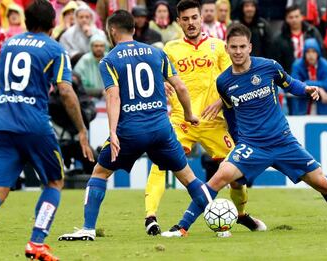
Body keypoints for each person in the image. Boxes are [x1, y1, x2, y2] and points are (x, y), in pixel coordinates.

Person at [161, 23, 327, 238]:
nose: (238, 52)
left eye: (242, 47)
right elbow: (230, 112)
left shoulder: (269, 66)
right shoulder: (224, 81)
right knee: (219, 178)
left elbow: (290, 83)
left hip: (283, 142)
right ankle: (181, 227)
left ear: (250, 47)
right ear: (227, 48)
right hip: (252, 145)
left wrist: (306, 89)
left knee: (323, 183)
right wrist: (238, 140)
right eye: (233, 47)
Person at [57, 9, 228, 242]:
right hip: (161, 129)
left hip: (131, 131)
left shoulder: (109, 60)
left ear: (112, 31)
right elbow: (181, 87)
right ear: (134, 30)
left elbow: (113, 97)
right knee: (189, 178)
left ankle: (88, 228)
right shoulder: (157, 53)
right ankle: (221, 223)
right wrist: (189, 114)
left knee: (100, 172)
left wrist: (113, 132)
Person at [0, 1, 94, 260]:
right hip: (34, 126)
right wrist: (82, 130)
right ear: (53, 25)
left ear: (26, 23)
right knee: (54, 182)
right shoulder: (55, 49)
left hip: (2, 125)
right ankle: (37, 242)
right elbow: (65, 91)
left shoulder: (7, 46)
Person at [145, 0, 265, 237]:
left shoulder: (218, 47)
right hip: (181, 121)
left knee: (236, 171)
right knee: (160, 164)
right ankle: (151, 218)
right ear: (179, 22)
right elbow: (154, 76)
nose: (190, 23)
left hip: (213, 121)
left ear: (201, 19)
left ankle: (240, 214)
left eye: (194, 18)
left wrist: (222, 100)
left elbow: (234, 77)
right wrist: (162, 83)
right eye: (185, 19)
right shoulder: (170, 49)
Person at [291, 38, 327, 115]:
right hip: (301, 107)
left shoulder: (324, 64)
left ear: (318, 53)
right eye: (308, 52)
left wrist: (307, 84)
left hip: (321, 107)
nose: (311, 55)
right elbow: (295, 85)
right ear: (304, 54)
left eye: (313, 52)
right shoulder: (297, 65)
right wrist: (319, 89)